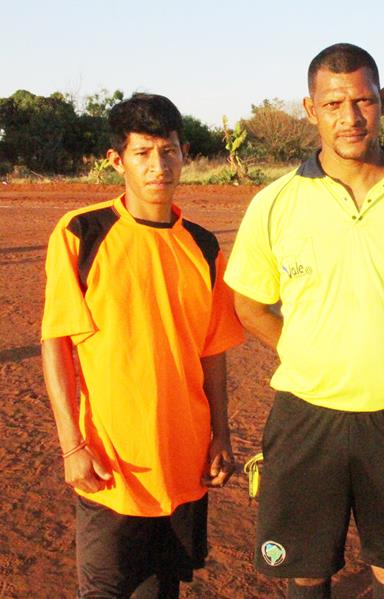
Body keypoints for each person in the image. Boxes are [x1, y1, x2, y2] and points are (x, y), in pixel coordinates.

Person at [224, 43, 384, 599]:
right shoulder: (275, 203)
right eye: (334, 103)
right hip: (305, 415)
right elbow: (249, 304)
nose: (350, 117)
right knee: (306, 568)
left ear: (383, 101)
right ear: (310, 109)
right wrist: (303, 352)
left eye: (363, 100)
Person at [41, 93, 244, 598]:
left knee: (162, 590)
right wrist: (72, 445)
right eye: (143, 153)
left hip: (183, 461)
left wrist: (221, 434)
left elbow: (211, 352)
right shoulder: (82, 233)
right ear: (117, 161)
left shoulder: (203, 245)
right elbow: (57, 345)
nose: (159, 166)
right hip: (112, 466)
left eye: (169, 151)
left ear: (184, 152)